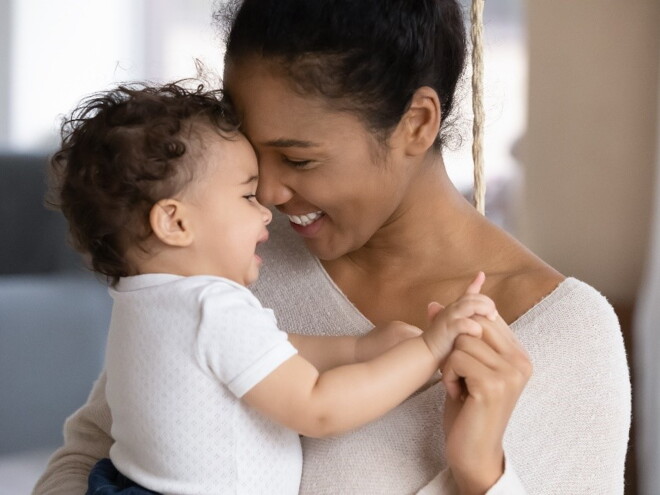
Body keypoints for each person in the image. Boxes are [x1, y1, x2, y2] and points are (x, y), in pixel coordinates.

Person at [35, 0, 631, 493]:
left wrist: (481, 476)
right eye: (251, 151)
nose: (267, 191)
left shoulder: (563, 335)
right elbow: (86, 459)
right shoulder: (225, 258)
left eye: (298, 157)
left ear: (418, 124)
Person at [45, 82, 498, 495]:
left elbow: (268, 352)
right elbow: (319, 408)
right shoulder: (210, 305)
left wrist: (360, 349)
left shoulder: (144, 300)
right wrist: (429, 351)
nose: (266, 209)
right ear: (175, 221)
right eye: (246, 195)